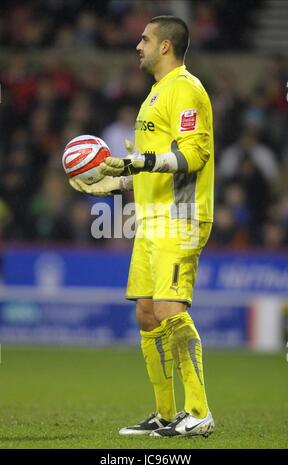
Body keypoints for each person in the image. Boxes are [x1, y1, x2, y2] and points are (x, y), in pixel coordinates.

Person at [69, 15, 214, 438]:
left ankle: (199, 411)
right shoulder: (154, 94)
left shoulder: (186, 88)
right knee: (148, 315)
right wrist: (118, 181)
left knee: (170, 310)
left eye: (145, 39)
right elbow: (155, 164)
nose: (138, 45)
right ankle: (166, 414)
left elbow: (192, 157)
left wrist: (138, 161)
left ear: (165, 46)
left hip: (181, 215)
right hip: (149, 219)